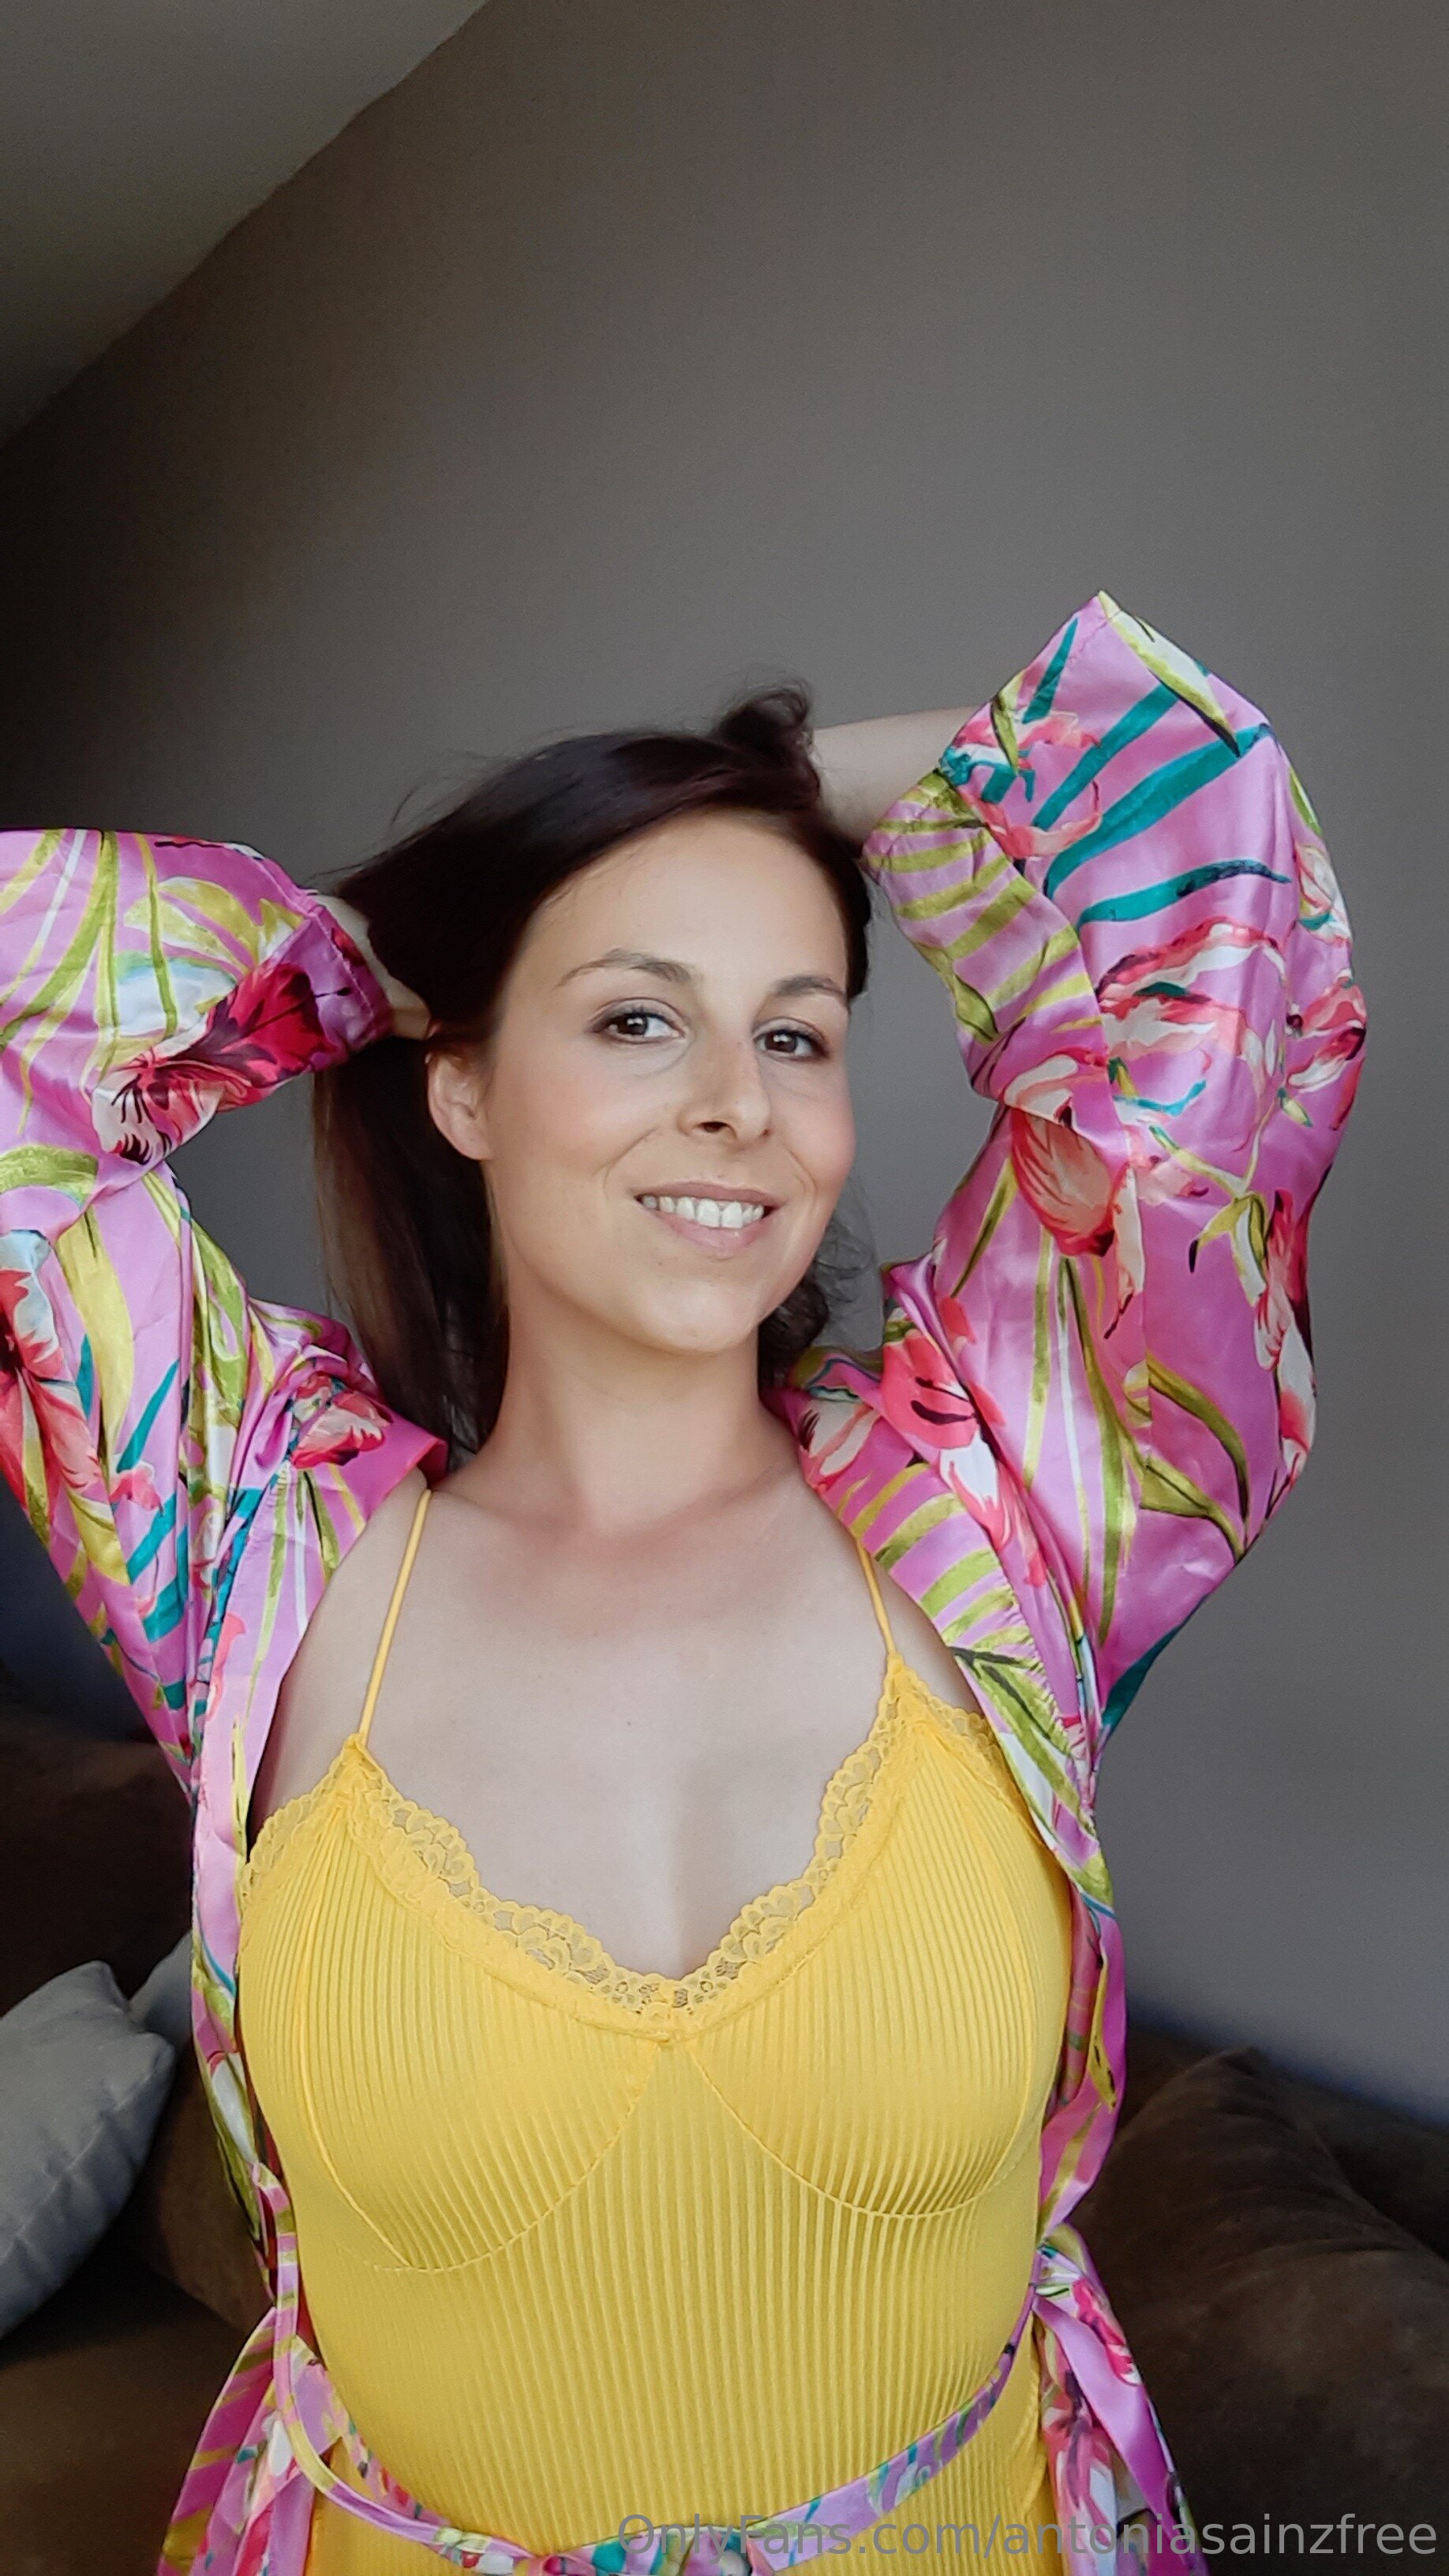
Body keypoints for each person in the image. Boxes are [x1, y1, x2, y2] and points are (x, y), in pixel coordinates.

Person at [0, 593, 1364, 2576]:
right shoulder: (250, 1554)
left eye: (795, 1031)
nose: (740, 1097)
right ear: (463, 1086)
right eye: (639, 1018)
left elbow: (1205, 872)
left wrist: (764, 788)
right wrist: (373, 950)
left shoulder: (1009, 1504)